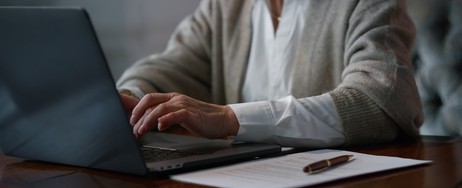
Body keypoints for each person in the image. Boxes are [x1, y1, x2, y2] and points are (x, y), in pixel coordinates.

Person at [117, 0, 423, 148]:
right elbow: (173, 65)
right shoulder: (225, 7)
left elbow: (380, 100)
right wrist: (130, 99)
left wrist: (230, 118)